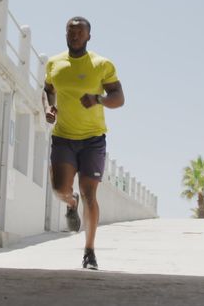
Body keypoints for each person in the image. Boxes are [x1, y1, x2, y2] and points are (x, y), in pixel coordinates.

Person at [43, 16, 124, 270]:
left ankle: (89, 252)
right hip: (63, 136)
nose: (75, 36)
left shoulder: (102, 65)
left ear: (89, 36)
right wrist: (49, 107)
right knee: (59, 189)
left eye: (80, 32)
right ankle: (71, 202)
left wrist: (98, 99)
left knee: (91, 194)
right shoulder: (55, 63)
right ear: (65, 33)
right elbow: (47, 89)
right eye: (71, 31)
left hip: (92, 139)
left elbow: (119, 98)